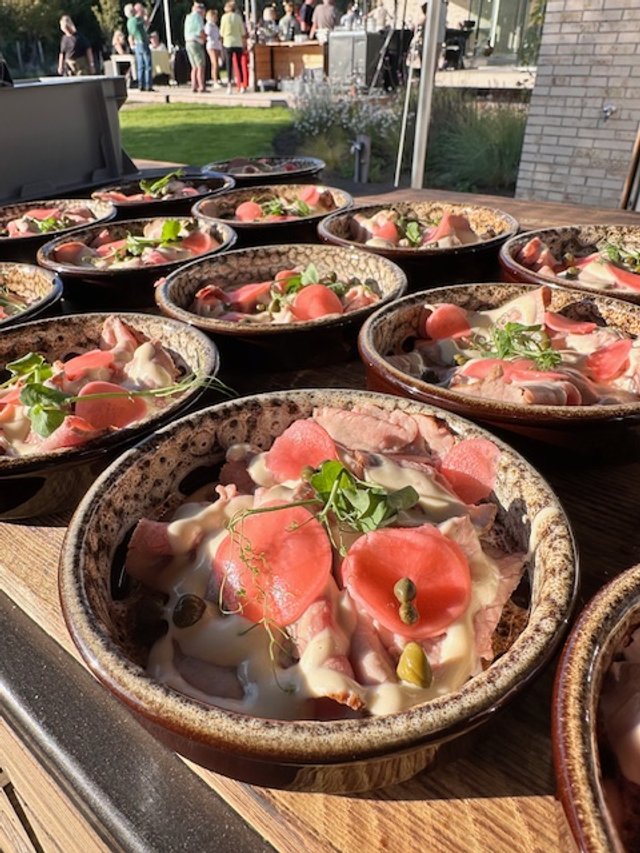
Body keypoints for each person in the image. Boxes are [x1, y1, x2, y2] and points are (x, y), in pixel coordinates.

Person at [220, 0, 247, 94]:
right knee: (239, 65)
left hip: (228, 42)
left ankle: (229, 85)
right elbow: (243, 32)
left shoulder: (224, 18)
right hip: (238, 42)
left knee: (229, 64)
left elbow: (221, 32)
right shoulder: (238, 17)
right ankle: (242, 84)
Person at [127, 3, 154, 91]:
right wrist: (145, 15)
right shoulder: (136, 20)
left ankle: (140, 84)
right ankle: (148, 85)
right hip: (142, 42)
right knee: (147, 64)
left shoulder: (129, 22)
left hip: (136, 44)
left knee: (140, 65)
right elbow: (146, 22)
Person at [184, 1, 207, 92]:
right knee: (200, 65)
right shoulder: (198, 17)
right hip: (196, 42)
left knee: (194, 66)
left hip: (188, 42)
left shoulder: (188, 17)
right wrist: (205, 39)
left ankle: (194, 85)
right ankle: (201, 86)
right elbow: (200, 31)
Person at [204, 9, 223, 88]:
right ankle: (215, 81)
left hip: (217, 45)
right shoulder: (208, 25)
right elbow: (207, 35)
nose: (216, 18)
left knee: (217, 64)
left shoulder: (215, 26)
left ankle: (216, 78)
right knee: (214, 63)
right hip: (212, 45)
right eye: (214, 16)